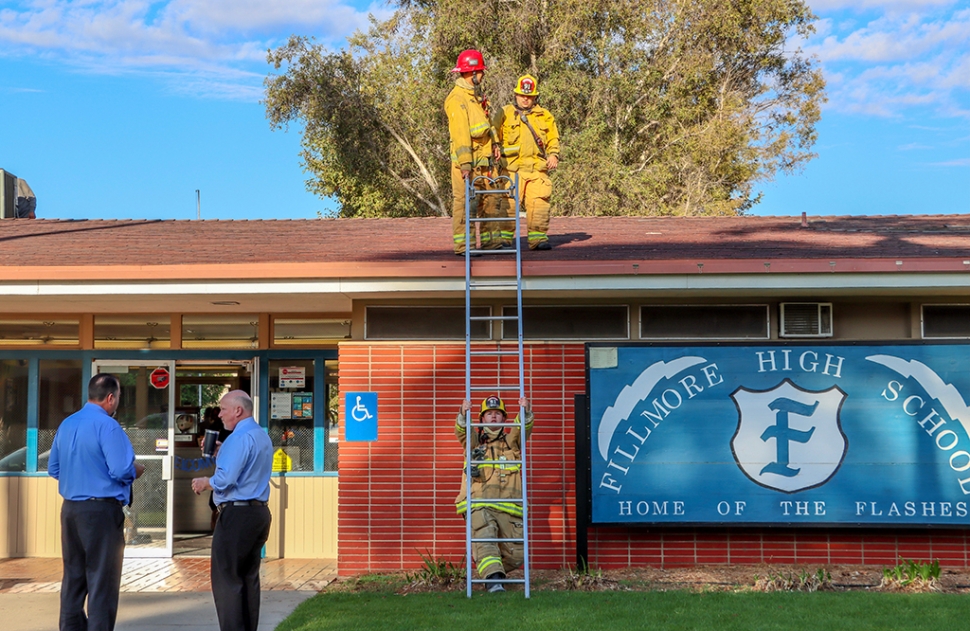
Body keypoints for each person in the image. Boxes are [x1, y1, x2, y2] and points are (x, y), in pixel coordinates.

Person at [48, 373, 145, 631]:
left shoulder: (67, 424)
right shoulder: (108, 426)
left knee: (74, 579)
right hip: (101, 511)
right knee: (102, 582)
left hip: (71, 510)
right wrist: (138, 468)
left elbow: (54, 468)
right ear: (110, 398)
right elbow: (121, 470)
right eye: (119, 399)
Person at [191, 390, 273, 631]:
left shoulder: (238, 438)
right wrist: (222, 453)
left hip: (237, 515)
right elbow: (245, 467)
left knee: (226, 580)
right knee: (248, 578)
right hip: (258, 514)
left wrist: (206, 482)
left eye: (223, 409)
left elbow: (226, 479)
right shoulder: (260, 436)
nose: (220, 413)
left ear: (238, 410)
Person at [455, 395, 533, 592]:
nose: (493, 417)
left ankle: (492, 570)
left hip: (509, 507)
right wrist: (463, 414)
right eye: (489, 414)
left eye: (498, 414)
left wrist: (525, 411)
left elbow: (522, 428)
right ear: (481, 419)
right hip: (479, 504)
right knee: (486, 539)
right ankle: (494, 583)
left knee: (516, 555)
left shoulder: (511, 443)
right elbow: (463, 431)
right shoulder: (473, 443)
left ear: (504, 419)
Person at [444, 48, 504, 255]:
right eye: (481, 71)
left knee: (491, 201)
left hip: (485, 163)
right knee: (465, 205)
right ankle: (464, 247)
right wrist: (466, 165)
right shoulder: (457, 99)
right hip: (467, 166)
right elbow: (461, 135)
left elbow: (485, 126)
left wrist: (495, 144)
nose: (483, 75)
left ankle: (492, 244)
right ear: (472, 73)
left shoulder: (475, 97)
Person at [493, 74, 560, 250]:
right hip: (512, 170)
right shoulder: (505, 113)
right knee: (507, 206)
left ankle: (538, 240)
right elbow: (493, 133)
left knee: (539, 205)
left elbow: (553, 138)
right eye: (522, 95)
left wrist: (553, 155)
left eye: (529, 96)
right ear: (516, 95)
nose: (525, 99)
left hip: (537, 171)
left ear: (535, 97)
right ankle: (503, 241)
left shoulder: (545, 116)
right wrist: (495, 147)